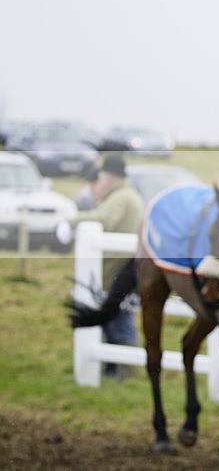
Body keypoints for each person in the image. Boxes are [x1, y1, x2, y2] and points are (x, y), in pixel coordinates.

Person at [61, 155, 145, 378]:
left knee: (119, 321)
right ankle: (115, 369)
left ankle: (124, 371)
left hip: (115, 272)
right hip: (119, 270)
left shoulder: (120, 197)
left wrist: (69, 222)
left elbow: (103, 219)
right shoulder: (127, 195)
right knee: (115, 319)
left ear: (107, 177)